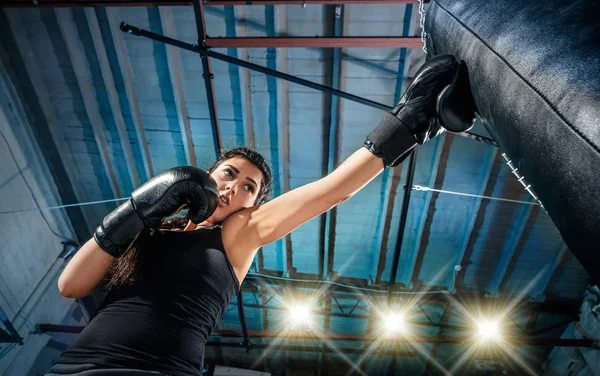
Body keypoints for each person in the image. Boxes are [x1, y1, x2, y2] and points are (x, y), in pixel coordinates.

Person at [46, 54, 471, 376]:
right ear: (208, 175)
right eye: (229, 174)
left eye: (249, 187)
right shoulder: (150, 230)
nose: (234, 187)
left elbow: (332, 190)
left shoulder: (238, 236)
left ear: (254, 205)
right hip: (76, 367)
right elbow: (70, 285)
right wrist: (137, 210)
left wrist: (409, 122)